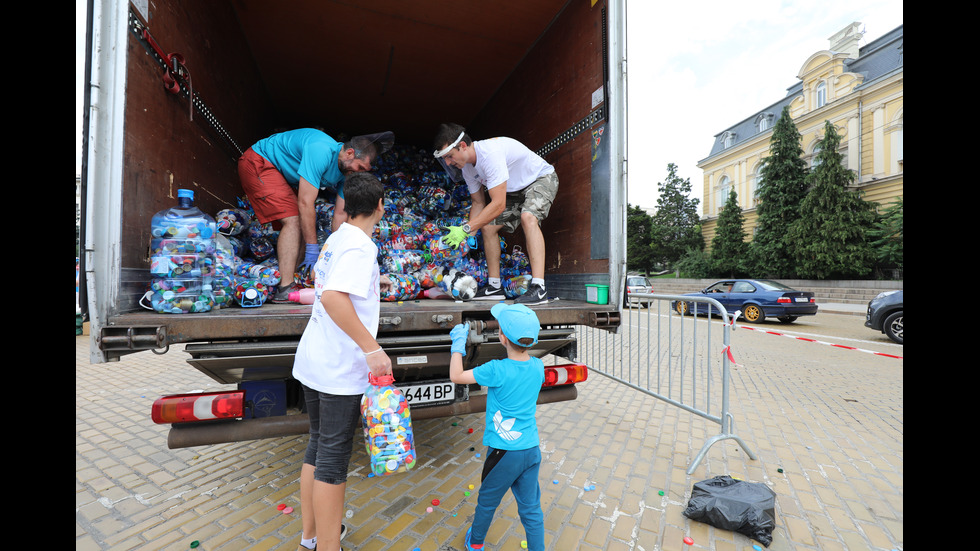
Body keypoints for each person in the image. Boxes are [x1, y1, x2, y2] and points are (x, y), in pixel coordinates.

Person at [291, 172, 393, 551]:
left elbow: (321, 276)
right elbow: (334, 297)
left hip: (315, 359)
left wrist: (370, 285)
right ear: (380, 206)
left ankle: (311, 536)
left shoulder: (338, 237)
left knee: (318, 447)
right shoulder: (362, 247)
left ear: (345, 206)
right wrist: (372, 349)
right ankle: (329, 547)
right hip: (338, 367)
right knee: (333, 460)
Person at [238, 128, 394, 303]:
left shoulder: (347, 173)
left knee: (306, 227)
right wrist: (313, 250)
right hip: (260, 161)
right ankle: (285, 288)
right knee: (295, 220)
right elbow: (305, 203)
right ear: (350, 153)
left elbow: (341, 215)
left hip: (281, 175)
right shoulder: (321, 151)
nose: (359, 173)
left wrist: (339, 254)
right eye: (360, 167)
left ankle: (295, 279)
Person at [448, 304, 545, 550]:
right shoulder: (538, 367)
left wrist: (458, 347)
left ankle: (476, 543)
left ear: (502, 338)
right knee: (531, 508)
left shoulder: (496, 369)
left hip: (504, 453)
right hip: (531, 450)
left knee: (488, 501)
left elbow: (457, 376)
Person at [433, 123, 558, 305]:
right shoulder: (467, 168)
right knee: (487, 226)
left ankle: (539, 288)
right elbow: (478, 203)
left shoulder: (490, 154)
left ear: (463, 146)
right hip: (514, 190)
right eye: (445, 159)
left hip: (540, 179)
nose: (448, 163)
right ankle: (495, 287)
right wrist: (467, 238)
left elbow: (498, 205)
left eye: (450, 156)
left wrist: (466, 228)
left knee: (528, 217)